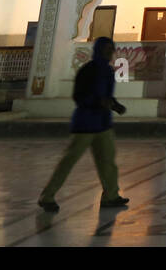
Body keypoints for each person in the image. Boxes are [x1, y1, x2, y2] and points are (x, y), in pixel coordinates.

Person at [38, 36, 129, 212]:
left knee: (108, 161)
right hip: (86, 123)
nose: (110, 53)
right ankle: (47, 196)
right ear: (99, 50)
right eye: (107, 49)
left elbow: (108, 96)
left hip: (103, 123)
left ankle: (111, 195)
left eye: (112, 49)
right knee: (69, 161)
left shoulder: (108, 71)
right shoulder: (88, 71)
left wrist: (115, 106)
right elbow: (79, 96)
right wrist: (96, 102)